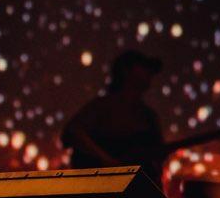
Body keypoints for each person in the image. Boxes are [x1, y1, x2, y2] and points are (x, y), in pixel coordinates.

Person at [62, 49, 165, 182]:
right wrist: (106, 160)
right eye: (143, 67)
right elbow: (73, 132)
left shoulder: (149, 116)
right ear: (126, 71)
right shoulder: (102, 107)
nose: (148, 73)